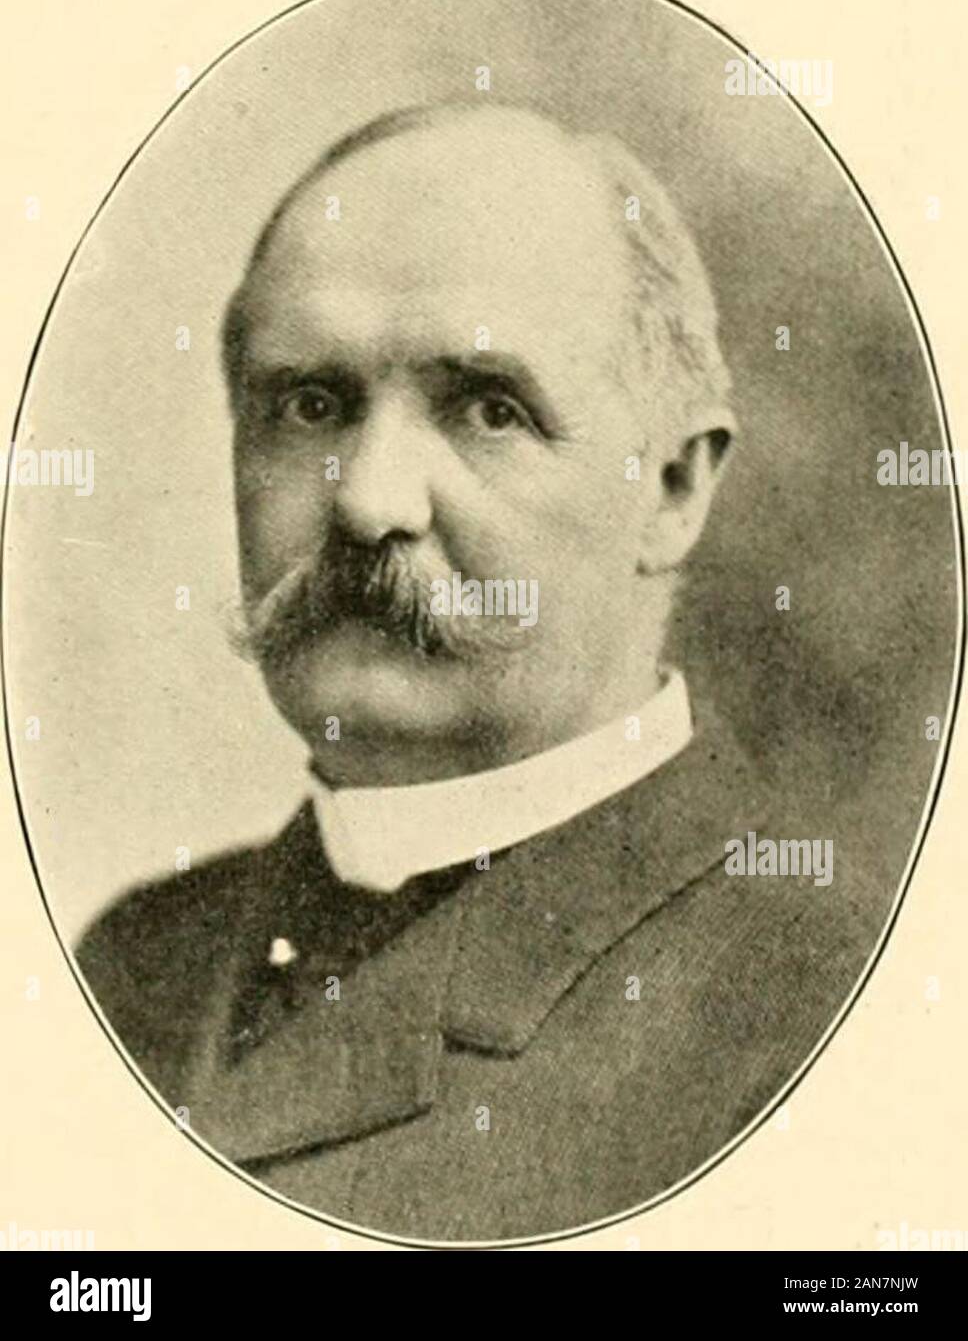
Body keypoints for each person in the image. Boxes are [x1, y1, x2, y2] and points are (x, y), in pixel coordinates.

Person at [77, 102, 871, 1242]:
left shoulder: (828, 1020)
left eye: (488, 410)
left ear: (672, 490)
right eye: (309, 404)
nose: (367, 501)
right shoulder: (130, 964)